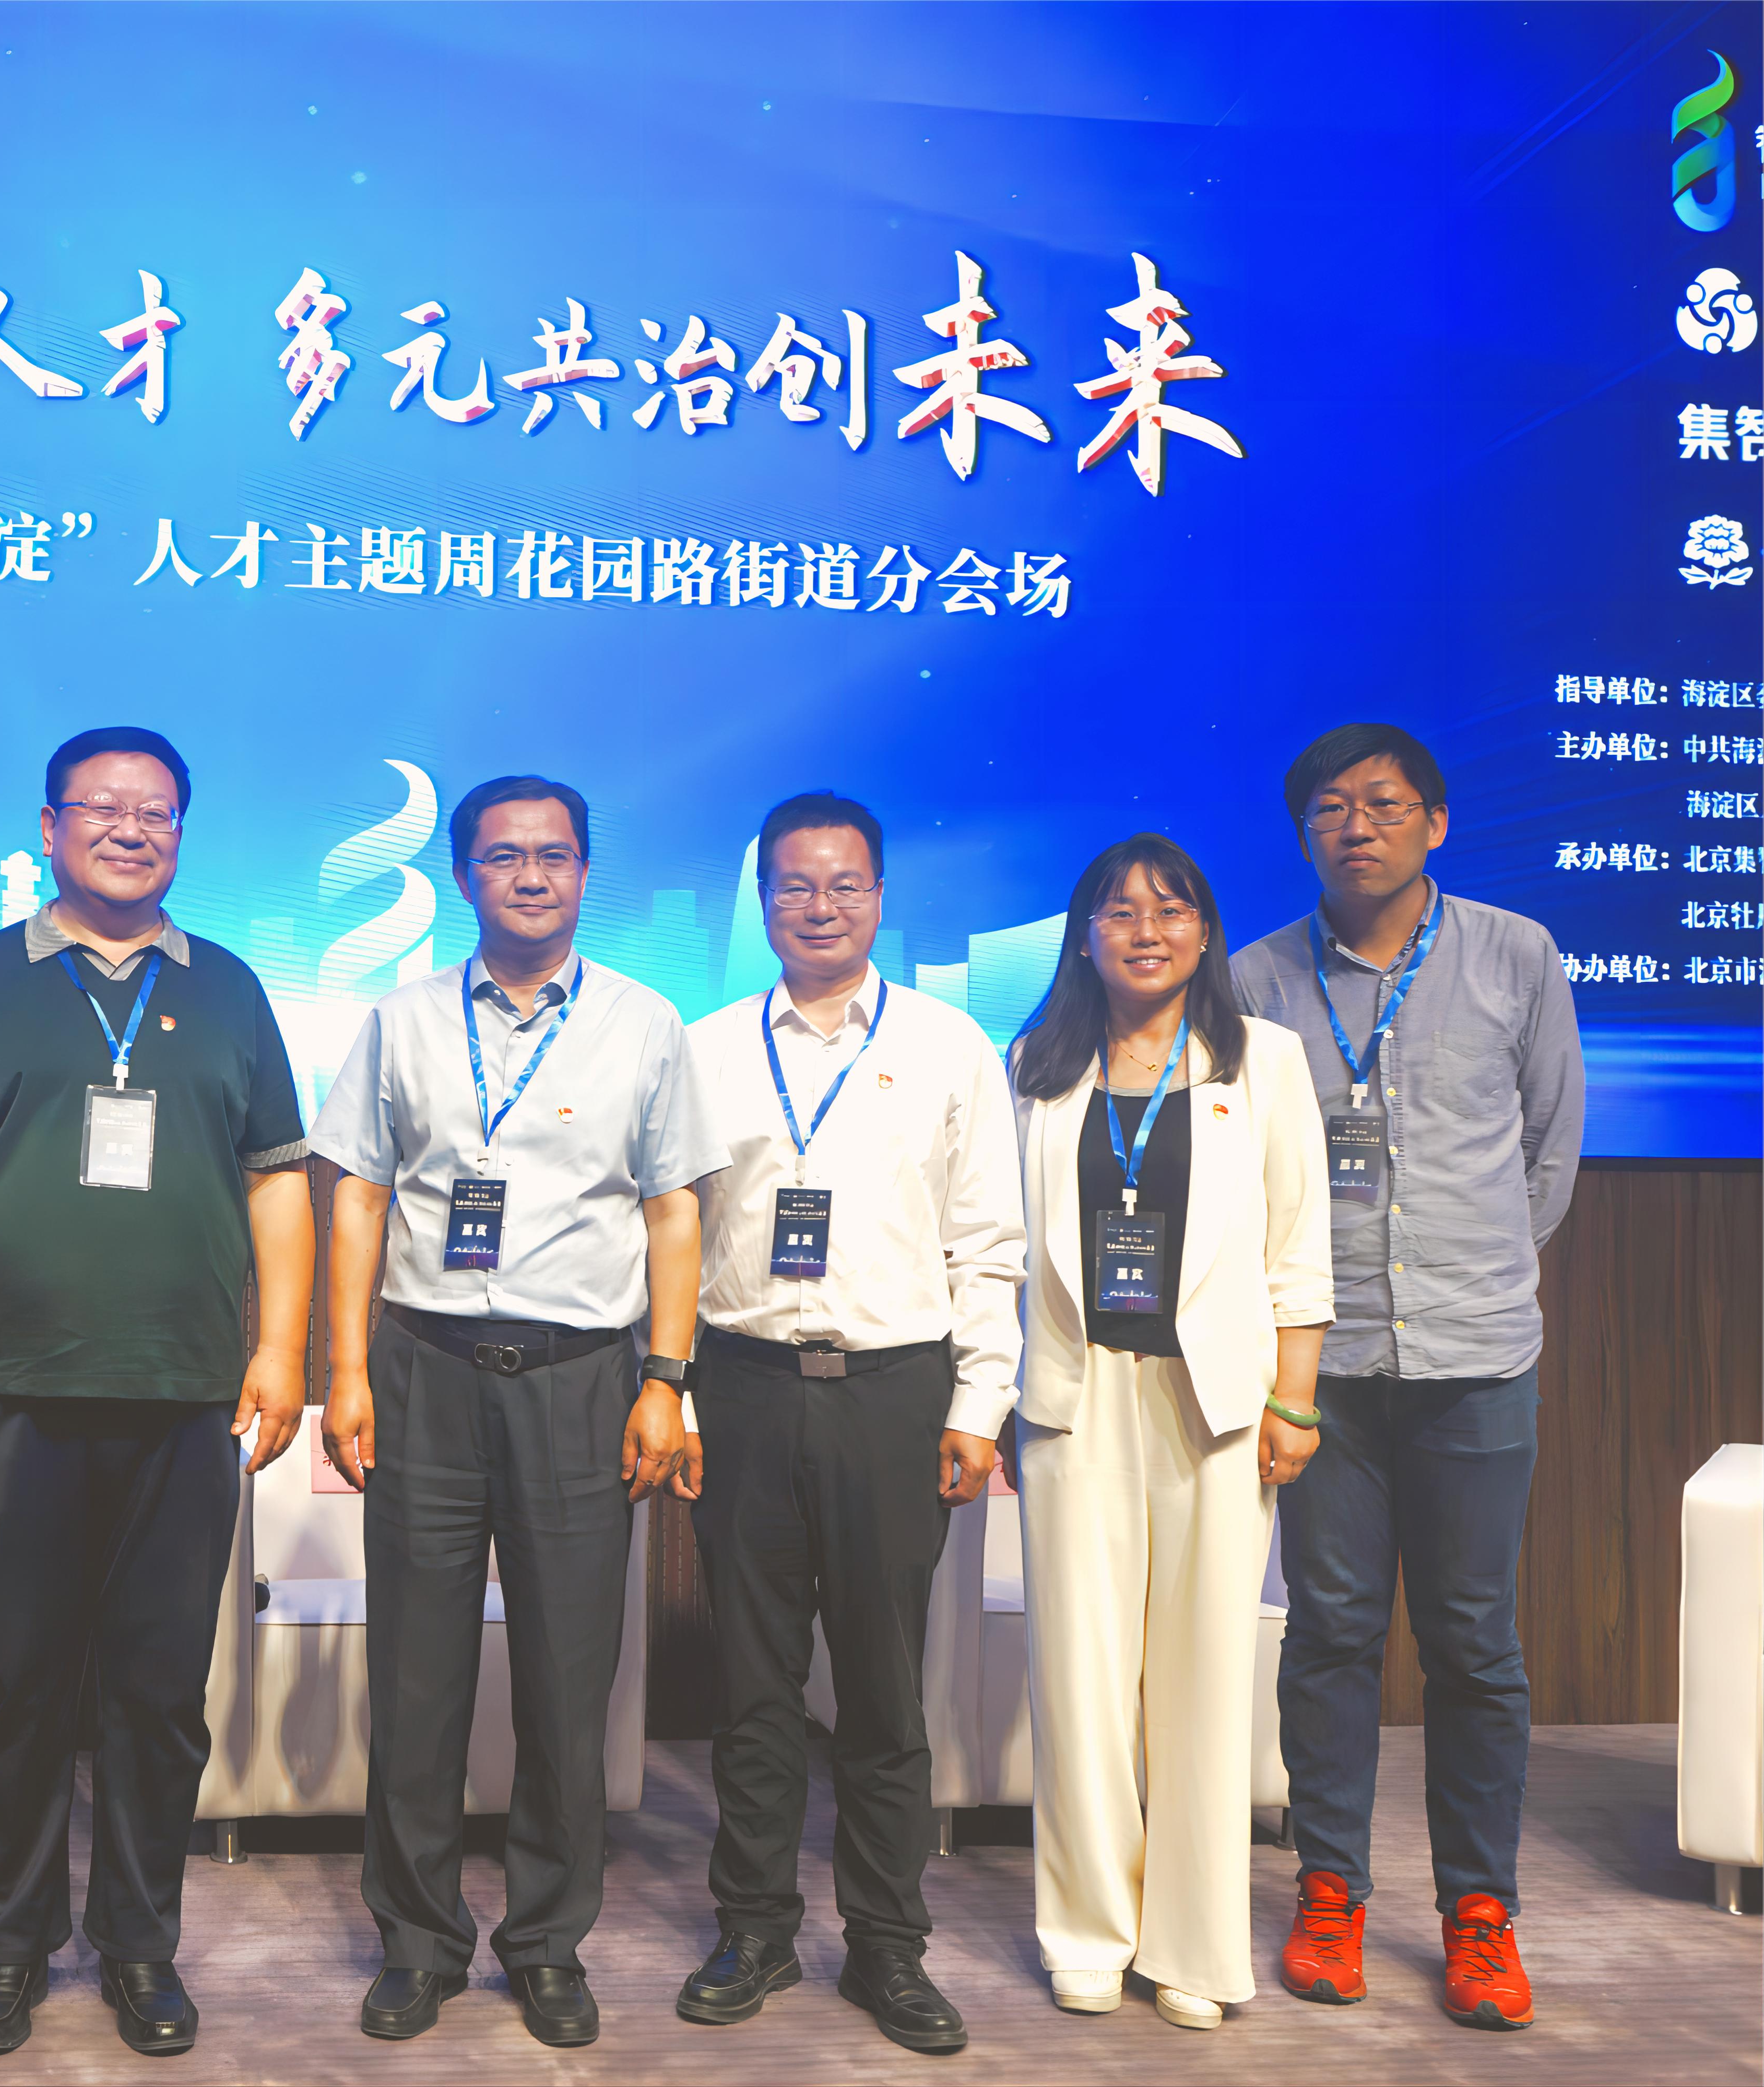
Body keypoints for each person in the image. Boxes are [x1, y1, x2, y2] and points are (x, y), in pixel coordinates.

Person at [0, 726, 313, 2059]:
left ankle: (139, 1945)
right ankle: (7, 1946)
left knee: (157, 1690)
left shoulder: (228, 987)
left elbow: (276, 1181)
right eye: (103, 807)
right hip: (15, 1389)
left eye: (157, 812)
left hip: (186, 1393)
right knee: (16, 1686)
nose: (132, 829)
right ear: (49, 826)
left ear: (180, 832)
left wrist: (279, 1351)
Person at [311, 774, 713, 2049]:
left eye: (552, 855)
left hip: (582, 1379)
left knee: (566, 1678)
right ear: (462, 875)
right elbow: (357, 1196)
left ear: (584, 872)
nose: (529, 876)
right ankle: (417, 1941)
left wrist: (665, 1379)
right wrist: (345, 1369)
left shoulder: (645, 1023)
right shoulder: (402, 1019)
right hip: (423, 1370)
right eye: (501, 857)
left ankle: (545, 1943)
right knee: (413, 1678)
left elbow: (673, 1211)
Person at [1230, 722, 1582, 2031]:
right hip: (1320, 1366)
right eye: (1328, 807)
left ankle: (1479, 1913)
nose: (1354, 826)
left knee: (1472, 1643)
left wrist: (1471, 1270)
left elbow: (1548, 1149)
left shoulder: (1513, 953)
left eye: (1381, 804)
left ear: (1433, 823)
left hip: (1475, 1358)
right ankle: (1329, 1890)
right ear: (1301, 833)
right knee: (1328, 1633)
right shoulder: (1255, 977)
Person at [677, 790, 1023, 2057]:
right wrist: (676, 1391)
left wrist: (978, 1403)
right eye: (793, 884)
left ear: (878, 895)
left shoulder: (947, 1045)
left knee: (881, 1689)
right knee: (751, 1685)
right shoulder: (705, 1048)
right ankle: (754, 1928)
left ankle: (885, 1943)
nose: (818, 906)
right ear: (761, 898)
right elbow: (671, 1235)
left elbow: (987, 1240)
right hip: (741, 1387)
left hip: (892, 1392)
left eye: (843, 884)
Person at [1007, 835, 1331, 2031]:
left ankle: (1193, 1943)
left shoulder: (1263, 1059)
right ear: (1081, 936)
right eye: (1117, 910)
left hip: (1214, 1401)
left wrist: (1294, 1400)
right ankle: (1086, 1928)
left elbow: (1297, 1243)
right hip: (1072, 1394)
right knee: (1078, 1677)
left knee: (1203, 1678)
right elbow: (999, 1248)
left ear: (1203, 931)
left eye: (1170, 908)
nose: (1144, 930)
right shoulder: (1033, 1065)